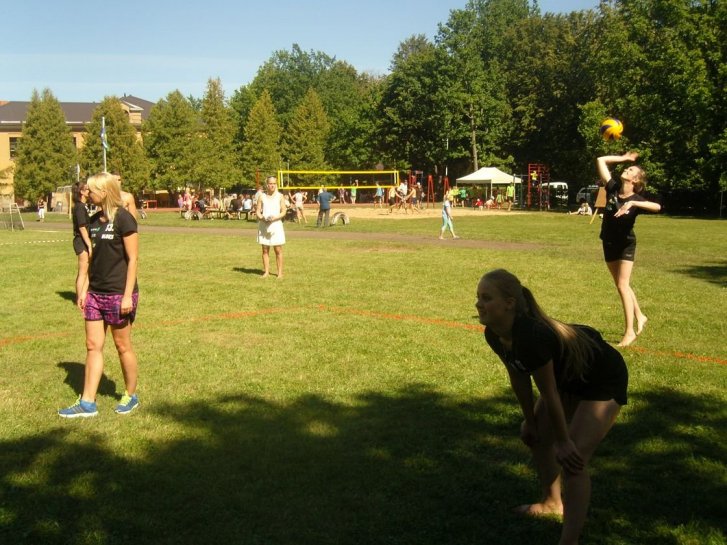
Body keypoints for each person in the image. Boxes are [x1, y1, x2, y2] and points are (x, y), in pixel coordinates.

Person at [476, 269, 628, 545]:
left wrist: (563, 440)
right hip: (567, 379)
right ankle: (551, 503)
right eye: (478, 297)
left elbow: (549, 392)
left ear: (509, 303)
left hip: (601, 378)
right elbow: (518, 376)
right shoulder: (494, 333)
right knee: (535, 437)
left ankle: (569, 541)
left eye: (486, 298)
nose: (478, 304)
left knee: (573, 459)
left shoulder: (532, 335)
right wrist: (530, 421)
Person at [58, 172, 140, 418]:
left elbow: (133, 259)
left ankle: (130, 395)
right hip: (95, 293)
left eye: (91, 190)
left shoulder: (124, 219)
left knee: (122, 345)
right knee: (93, 345)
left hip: (119, 293)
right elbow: (91, 260)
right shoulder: (93, 221)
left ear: (104, 193)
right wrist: (84, 290)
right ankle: (87, 402)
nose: (87, 193)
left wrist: (127, 296)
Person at [597, 151, 661, 347]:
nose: (626, 169)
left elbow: (657, 207)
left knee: (623, 285)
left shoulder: (637, 199)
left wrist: (633, 202)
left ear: (635, 180)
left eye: (631, 169)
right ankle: (640, 315)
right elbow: (601, 160)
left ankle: (629, 332)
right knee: (620, 284)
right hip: (608, 242)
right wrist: (625, 158)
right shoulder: (613, 188)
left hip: (626, 245)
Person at [256, 176, 286, 278]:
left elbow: (284, 211)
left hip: (276, 225)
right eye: (270, 183)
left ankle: (280, 273)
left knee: (278, 250)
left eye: (274, 183)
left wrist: (275, 217)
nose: (272, 185)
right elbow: (258, 211)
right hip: (264, 225)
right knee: (265, 250)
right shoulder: (262, 196)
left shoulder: (280, 196)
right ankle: (266, 272)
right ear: (267, 185)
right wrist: (262, 218)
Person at [71, 182, 93, 303]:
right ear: (81, 192)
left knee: (88, 271)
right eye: (87, 189)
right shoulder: (79, 207)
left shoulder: (84, 206)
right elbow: (82, 227)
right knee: (83, 272)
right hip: (81, 241)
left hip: (85, 240)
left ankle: (84, 297)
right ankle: (79, 299)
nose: (89, 191)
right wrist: (89, 244)